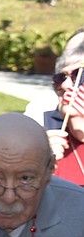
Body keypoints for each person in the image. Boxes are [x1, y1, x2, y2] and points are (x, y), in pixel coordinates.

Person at [40, 29, 84, 185]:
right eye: (60, 77)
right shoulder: (42, 139)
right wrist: (36, 168)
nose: (65, 85)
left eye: (78, 75)